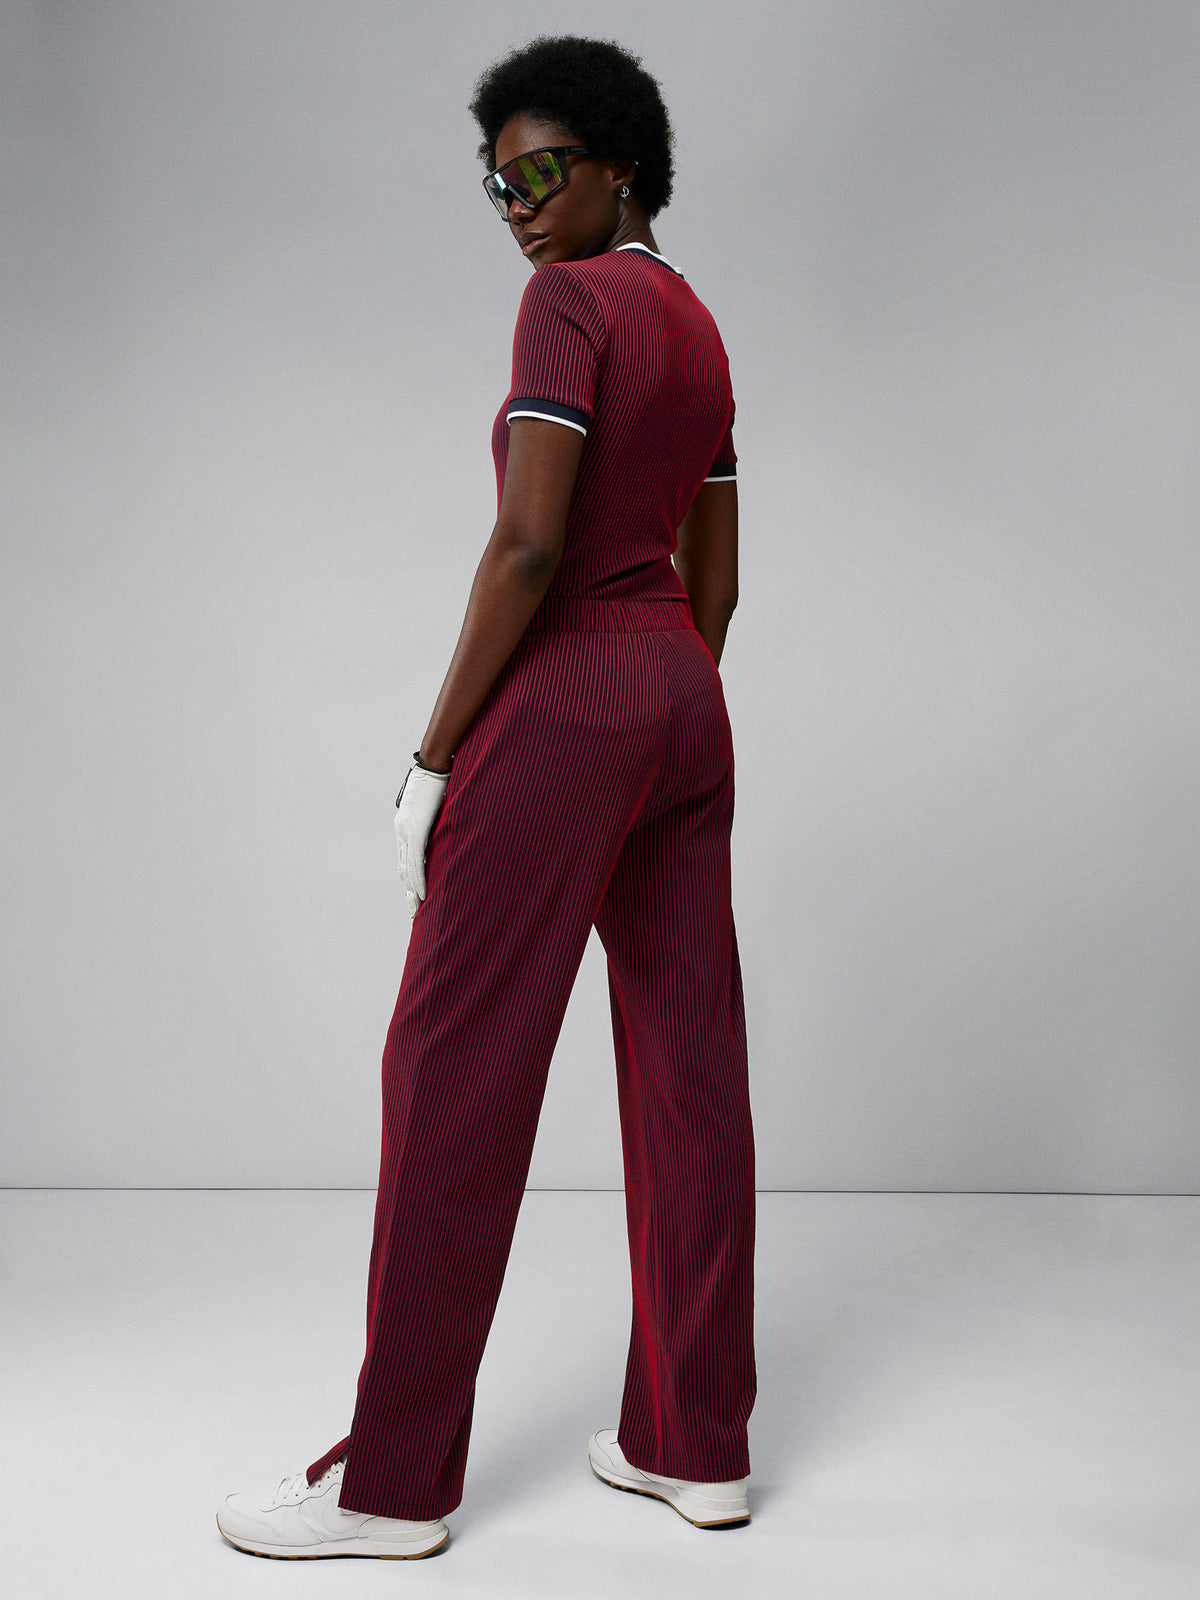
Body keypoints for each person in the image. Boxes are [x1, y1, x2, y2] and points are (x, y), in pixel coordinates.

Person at [216, 34, 756, 1561]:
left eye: (541, 173)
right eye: (496, 186)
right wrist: (661, 698)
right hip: (682, 694)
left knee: (455, 1065)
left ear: (621, 168)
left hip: (570, 689)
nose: (517, 207)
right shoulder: (699, 325)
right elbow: (717, 574)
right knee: (690, 1068)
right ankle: (696, 1444)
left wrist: (437, 755)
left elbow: (527, 546)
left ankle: (390, 1487)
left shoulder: (570, 304)